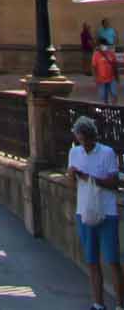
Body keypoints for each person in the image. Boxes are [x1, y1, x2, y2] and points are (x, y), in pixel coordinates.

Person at [68, 113, 120, 310]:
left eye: (85, 141)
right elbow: (70, 183)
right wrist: (72, 175)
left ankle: (120, 304)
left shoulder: (107, 153)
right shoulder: (74, 153)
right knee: (91, 260)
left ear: (91, 137)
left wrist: (90, 178)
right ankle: (98, 303)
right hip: (84, 212)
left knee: (112, 260)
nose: (83, 145)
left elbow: (114, 182)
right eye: (79, 141)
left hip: (107, 212)